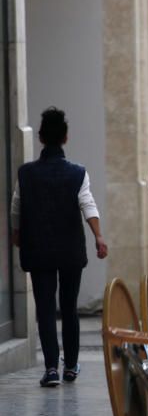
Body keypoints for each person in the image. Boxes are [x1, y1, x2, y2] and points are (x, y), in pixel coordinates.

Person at [11, 108, 108, 387]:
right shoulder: (77, 173)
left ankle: (51, 368)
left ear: (40, 137)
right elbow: (88, 205)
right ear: (65, 137)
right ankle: (71, 366)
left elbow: (16, 207)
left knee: (44, 307)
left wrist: (17, 233)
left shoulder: (26, 173)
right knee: (69, 307)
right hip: (69, 250)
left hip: (38, 248)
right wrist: (98, 236)